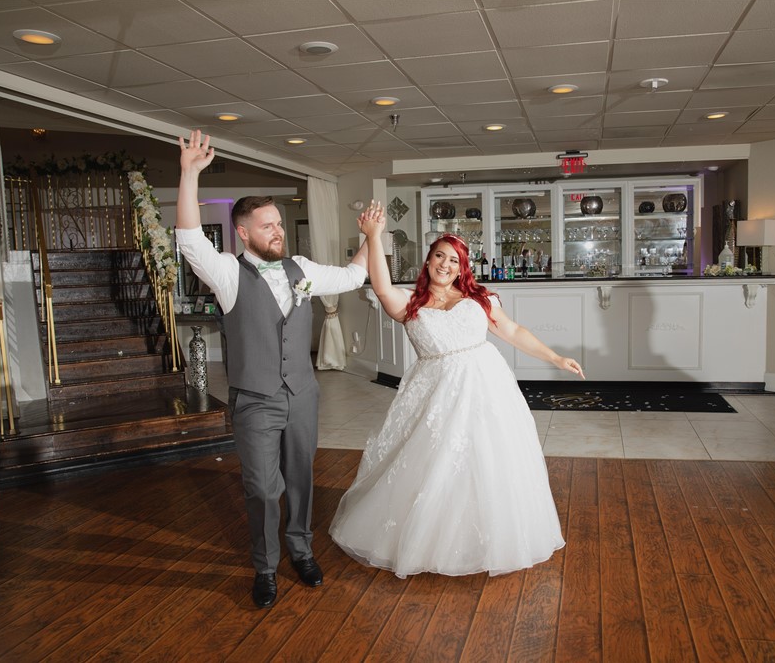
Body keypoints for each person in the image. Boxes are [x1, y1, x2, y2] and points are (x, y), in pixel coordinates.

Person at [330, 203, 584, 578]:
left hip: (487, 388)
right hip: (437, 393)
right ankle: (433, 540)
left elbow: (512, 331)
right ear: (428, 261)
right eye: (439, 256)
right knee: (436, 462)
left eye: (454, 260)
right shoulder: (410, 304)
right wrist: (373, 236)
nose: (446, 265)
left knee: (490, 459)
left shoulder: (479, 299)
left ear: (463, 267)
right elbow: (381, 288)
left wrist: (555, 357)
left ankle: (490, 537)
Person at [176, 130, 371, 608]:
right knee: (263, 488)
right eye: (267, 226)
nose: (277, 232)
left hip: (302, 394)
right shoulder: (226, 272)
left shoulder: (300, 268)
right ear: (243, 233)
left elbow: (352, 276)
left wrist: (371, 238)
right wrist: (189, 174)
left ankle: (300, 549)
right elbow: (188, 239)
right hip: (256, 399)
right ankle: (265, 567)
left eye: (279, 223)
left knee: (301, 478)